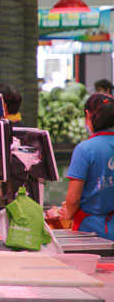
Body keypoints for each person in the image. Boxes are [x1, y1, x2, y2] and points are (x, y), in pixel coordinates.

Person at [59, 93, 114, 238]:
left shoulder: (85, 149)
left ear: (88, 115)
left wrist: (69, 212)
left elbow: (73, 199)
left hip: (90, 232)